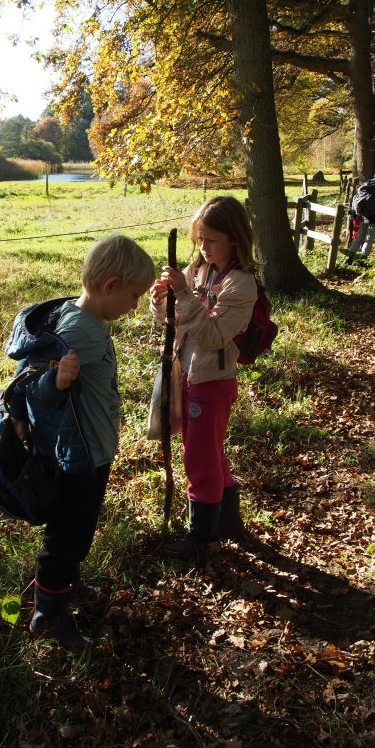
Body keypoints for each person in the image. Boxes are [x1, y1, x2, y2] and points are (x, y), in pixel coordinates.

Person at [17, 235, 155, 649]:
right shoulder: (77, 329)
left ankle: (67, 585)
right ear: (111, 286)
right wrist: (55, 382)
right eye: (133, 297)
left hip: (93, 450)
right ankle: (48, 616)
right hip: (77, 456)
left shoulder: (87, 320)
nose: (134, 307)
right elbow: (29, 387)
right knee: (66, 535)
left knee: (79, 527)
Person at [150, 197, 258, 558]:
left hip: (214, 382)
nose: (203, 247)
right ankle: (226, 521)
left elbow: (213, 335)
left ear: (235, 239)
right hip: (188, 372)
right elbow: (175, 322)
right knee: (208, 451)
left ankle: (201, 536)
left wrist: (182, 292)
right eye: (200, 239)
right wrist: (161, 301)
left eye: (211, 240)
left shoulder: (241, 285)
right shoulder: (198, 270)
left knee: (200, 456)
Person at [345, 166, 375, 263]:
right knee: (369, 239)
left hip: (364, 216)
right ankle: (363, 259)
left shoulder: (367, 184)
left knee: (359, 237)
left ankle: (350, 257)